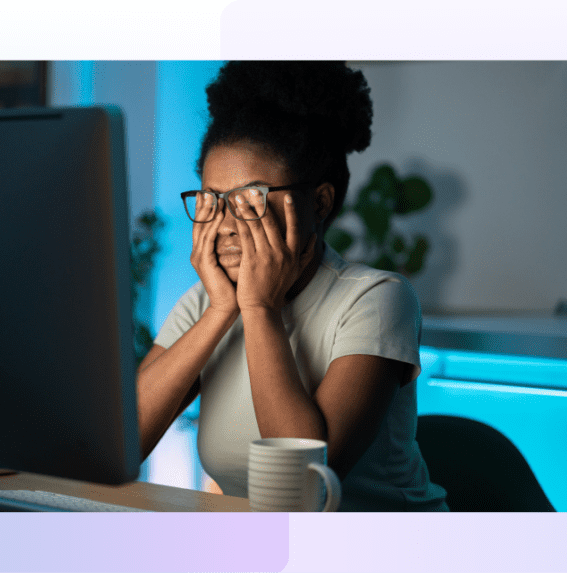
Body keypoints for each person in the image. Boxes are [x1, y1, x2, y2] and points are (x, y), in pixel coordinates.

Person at [136, 61, 448, 511]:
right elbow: (124, 445)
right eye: (212, 200)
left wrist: (259, 309)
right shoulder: (206, 302)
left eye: (250, 200)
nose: (225, 224)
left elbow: (305, 488)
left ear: (319, 203)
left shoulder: (377, 299)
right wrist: (221, 311)